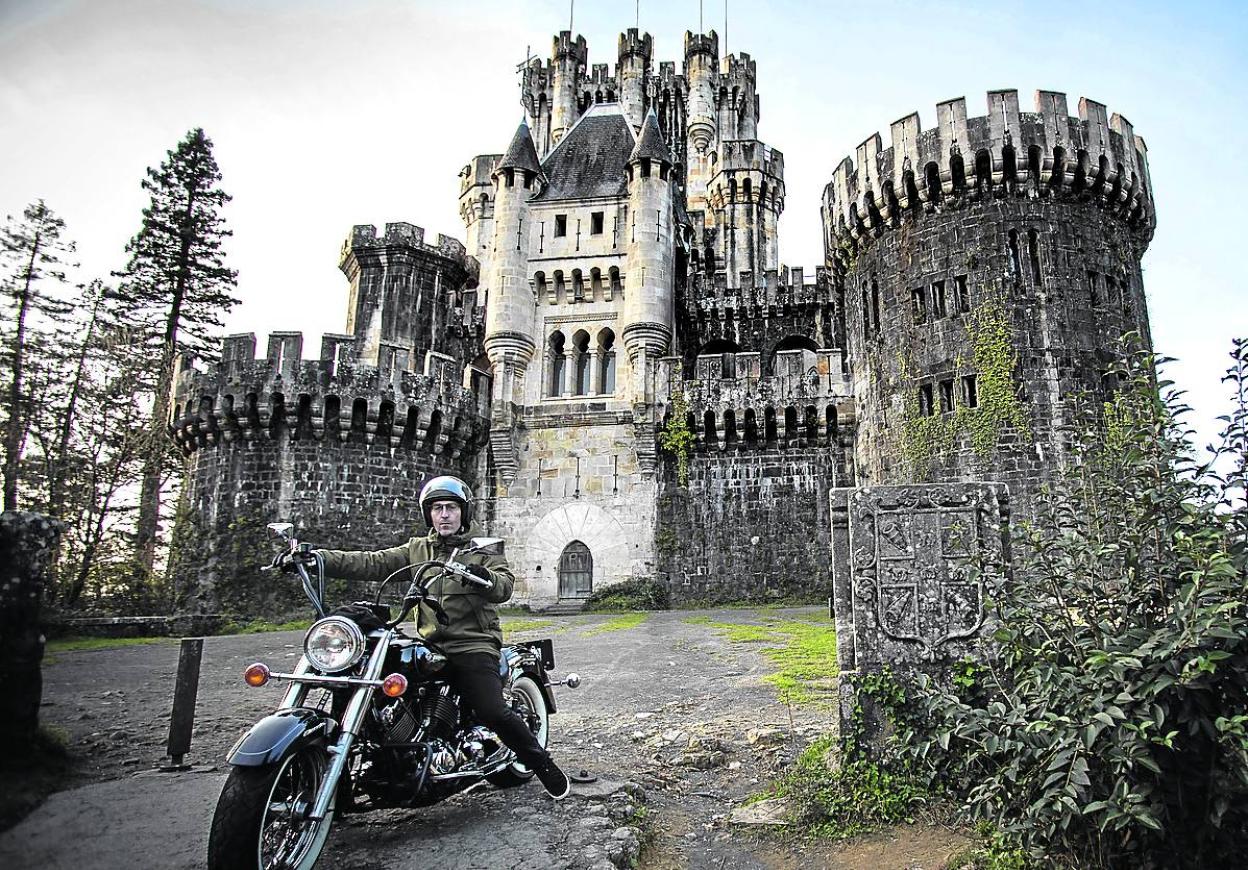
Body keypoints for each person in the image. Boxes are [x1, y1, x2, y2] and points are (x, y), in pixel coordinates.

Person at [309, 474, 571, 800]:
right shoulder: (418, 549)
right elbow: (371, 562)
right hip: (430, 644)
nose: (443, 514)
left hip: (473, 643)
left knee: (491, 709)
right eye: (436, 509)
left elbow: (504, 585)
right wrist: (317, 558)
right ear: (428, 514)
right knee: (369, 682)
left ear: (463, 512)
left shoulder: (482, 548)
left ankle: (543, 765)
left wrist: (482, 576)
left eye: (450, 508)